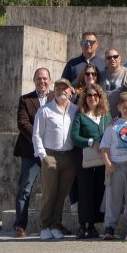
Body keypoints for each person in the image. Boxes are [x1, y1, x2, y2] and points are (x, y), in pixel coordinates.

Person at [32, 77, 76, 240]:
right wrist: (43, 155)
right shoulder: (45, 110)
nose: (61, 91)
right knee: (49, 193)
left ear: (71, 91)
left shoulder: (75, 110)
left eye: (65, 88)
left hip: (69, 157)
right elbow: (37, 134)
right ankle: (44, 225)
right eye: (58, 88)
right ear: (54, 91)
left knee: (62, 194)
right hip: (50, 155)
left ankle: (55, 224)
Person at [13, 67, 52, 237]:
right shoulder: (25, 99)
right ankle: (20, 225)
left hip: (51, 151)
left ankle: (51, 224)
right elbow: (22, 123)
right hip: (30, 151)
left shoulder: (56, 98)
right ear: (34, 80)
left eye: (45, 78)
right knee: (25, 188)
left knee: (52, 189)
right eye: (39, 78)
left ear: (49, 80)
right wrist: (39, 138)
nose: (42, 81)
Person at [99, 92, 127, 240]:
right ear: (118, 108)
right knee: (113, 198)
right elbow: (104, 147)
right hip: (116, 165)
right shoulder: (113, 125)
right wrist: (108, 163)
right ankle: (109, 227)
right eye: (125, 108)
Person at [70, 82, 109, 239]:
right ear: (84, 98)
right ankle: (83, 225)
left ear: (100, 98)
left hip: (102, 159)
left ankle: (92, 225)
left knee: (99, 190)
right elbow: (75, 136)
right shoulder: (80, 115)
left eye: (95, 95)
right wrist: (91, 142)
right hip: (85, 158)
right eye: (89, 95)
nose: (92, 98)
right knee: (85, 191)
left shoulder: (106, 116)